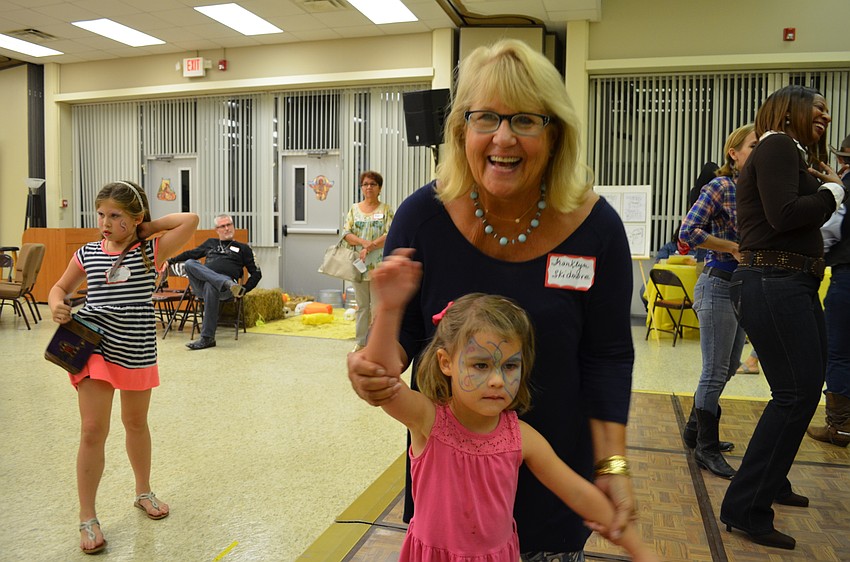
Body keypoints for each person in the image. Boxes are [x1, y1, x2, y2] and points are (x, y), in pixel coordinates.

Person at [348, 39, 636, 560]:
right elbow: (401, 345)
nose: (503, 138)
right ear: (462, 131)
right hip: (449, 503)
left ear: (555, 133)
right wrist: (373, 367)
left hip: (554, 482)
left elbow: (608, 355)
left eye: (526, 120)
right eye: (486, 118)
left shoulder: (596, 229)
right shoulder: (422, 219)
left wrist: (611, 465)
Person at [364, 258, 658, 561]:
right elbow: (380, 379)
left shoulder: (520, 436)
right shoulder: (428, 420)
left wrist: (638, 549)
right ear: (446, 362)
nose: (497, 381)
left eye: (510, 366)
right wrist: (388, 309)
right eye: (481, 365)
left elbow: (577, 492)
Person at [720, 85, 847, 550]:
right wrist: (834, 191)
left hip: (788, 282)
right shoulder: (775, 144)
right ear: (791, 110)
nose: (826, 118)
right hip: (775, 281)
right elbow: (785, 214)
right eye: (819, 108)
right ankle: (746, 506)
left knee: (799, 393)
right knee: (795, 396)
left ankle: (769, 484)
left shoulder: (786, 151)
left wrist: (825, 185)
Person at [48, 181, 198, 554]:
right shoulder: (87, 253)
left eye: (116, 216)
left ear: (135, 219)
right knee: (92, 429)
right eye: (102, 214)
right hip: (95, 347)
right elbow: (58, 287)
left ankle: (142, 491)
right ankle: (88, 516)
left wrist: (149, 227)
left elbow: (190, 220)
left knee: (135, 423)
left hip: (136, 348)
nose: (105, 222)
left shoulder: (150, 250)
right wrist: (56, 305)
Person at [678, 124, 757, 479]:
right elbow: (688, 232)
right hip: (717, 284)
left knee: (729, 367)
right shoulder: (720, 186)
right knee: (714, 371)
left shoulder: (756, 190)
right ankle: (706, 449)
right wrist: (731, 247)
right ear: (733, 153)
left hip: (741, 289)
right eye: (753, 146)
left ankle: (696, 430)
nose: (759, 152)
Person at [807, 133, 850, 446]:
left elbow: (829, 232)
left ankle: (840, 426)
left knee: (838, 353)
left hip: (847, 276)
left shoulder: (845, 188)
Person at [168, 214, 261, 350]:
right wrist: (170, 261)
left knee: (211, 285)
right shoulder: (210, 243)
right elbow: (190, 254)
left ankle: (207, 338)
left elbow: (257, 273)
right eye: (222, 226)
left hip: (226, 291)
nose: (227, 228)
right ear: (216, 229)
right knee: (189, 263)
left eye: (229, 225)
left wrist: (245, 289)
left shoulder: (244, 249)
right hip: (204, 286)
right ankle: (223, 282)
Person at [342, 170, 394, 352]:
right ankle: (361, 342)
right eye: (365, 184)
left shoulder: (386, 210)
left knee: (378, 306)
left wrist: (371, 246)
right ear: (361, 188)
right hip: (359, 265)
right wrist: (364, 243)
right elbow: (346, 234)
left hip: (379, 266)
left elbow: (391, 234)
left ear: (379, 188)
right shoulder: (354, 209)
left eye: (373, 184)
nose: (369, 187)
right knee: (362, 306)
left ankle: (377, 342)